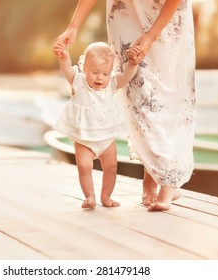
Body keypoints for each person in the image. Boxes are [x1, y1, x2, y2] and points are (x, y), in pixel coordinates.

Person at [54, 0, 196, 211]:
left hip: (165, 13)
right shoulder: (83, 80)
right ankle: (151, 175)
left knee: (168, 93)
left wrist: (151, 36)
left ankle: (168, 181)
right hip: (126, 13)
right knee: (138, 90)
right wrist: (73, 26)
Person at [53, 41, 139, 209]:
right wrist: (64, 56)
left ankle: (106, 196)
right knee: (84, 167)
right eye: (95, 72)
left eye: (105, 73)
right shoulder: (78, 82)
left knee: (112, 167)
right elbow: (67, 69)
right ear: (84, 68)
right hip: (84, 139)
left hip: (106, 139)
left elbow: (126, 76)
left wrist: (133, 64)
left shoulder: (112, 85)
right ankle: (90, 197)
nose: (100, 77)